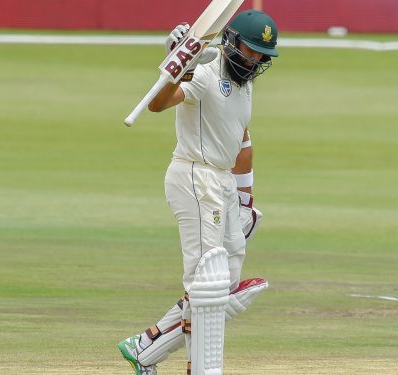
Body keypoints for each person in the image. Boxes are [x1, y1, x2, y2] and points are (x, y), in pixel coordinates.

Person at [117, 10, 278, 375]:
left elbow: (242, 141)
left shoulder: (245, 83)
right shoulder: (204, 70)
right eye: (250, 51)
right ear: (232, 42)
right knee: (207, 282)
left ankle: (145, 347)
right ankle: (199, 368)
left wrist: (245, 198)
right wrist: (180, 65)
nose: (254, 61)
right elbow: (159, 103)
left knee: (227, 282)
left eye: (260, 56)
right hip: (194, 175)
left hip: (221, 181)